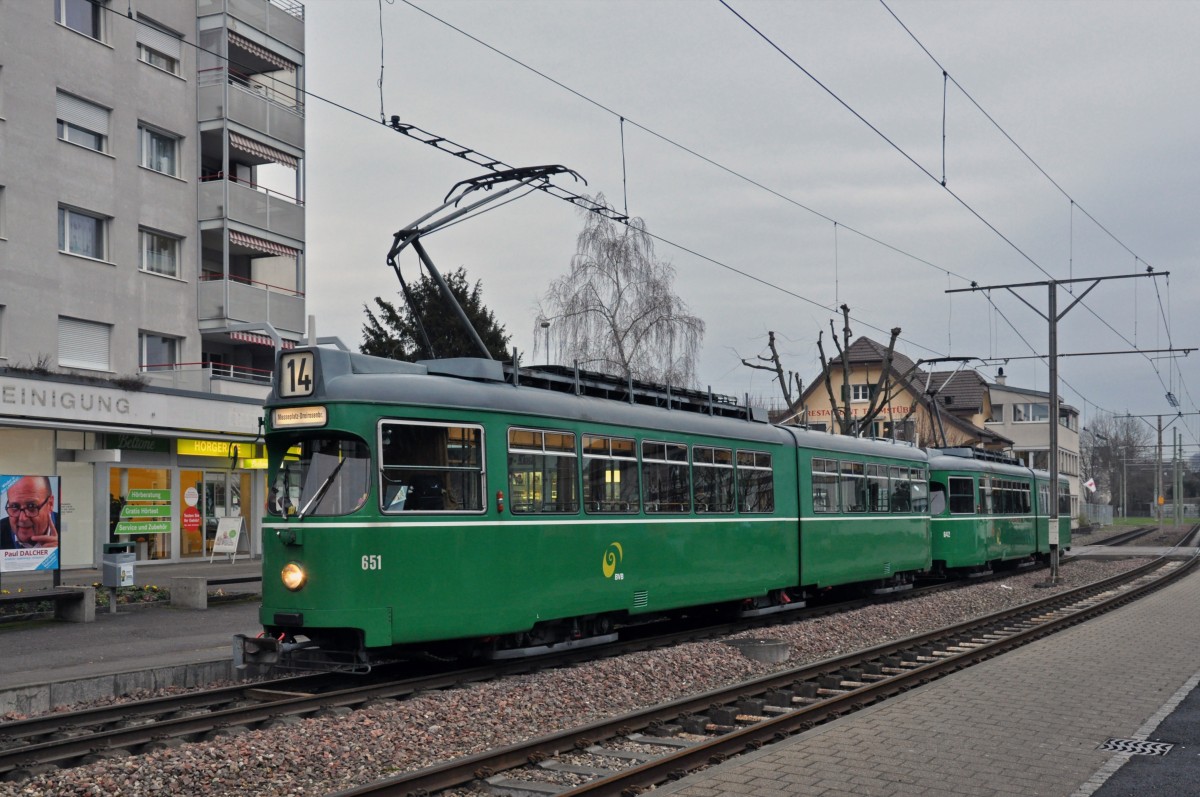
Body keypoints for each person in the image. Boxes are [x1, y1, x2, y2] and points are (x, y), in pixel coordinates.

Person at [1, 476, 60, 549]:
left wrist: (61, 554)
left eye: (31, 506)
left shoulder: (70, 534)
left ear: (50, 504)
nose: (22, 518)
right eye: (14, 506)